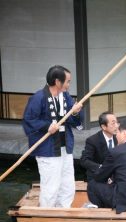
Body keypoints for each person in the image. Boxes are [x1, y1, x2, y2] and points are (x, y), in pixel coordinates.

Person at [22, 65, 83, 208]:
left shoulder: (65, 97)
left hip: (65, 147)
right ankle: (47, 214)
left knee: (67, 184)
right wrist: (46, 126)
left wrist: (74, 112)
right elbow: (28, 120)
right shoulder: (38, 98)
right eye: (67, 81)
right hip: (48, 150)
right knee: (51, 186)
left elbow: (74, 120)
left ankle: (63, 211)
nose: (69, 85)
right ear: (57, 81)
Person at [80, 111, 118, 205]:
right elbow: (84, 160)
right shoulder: (93, 140)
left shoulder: (118, 138)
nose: (117, 126)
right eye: (113, 123)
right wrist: (102, 168)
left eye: (117, 122)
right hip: (98, 179)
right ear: (104, 127)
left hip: (114, 179)